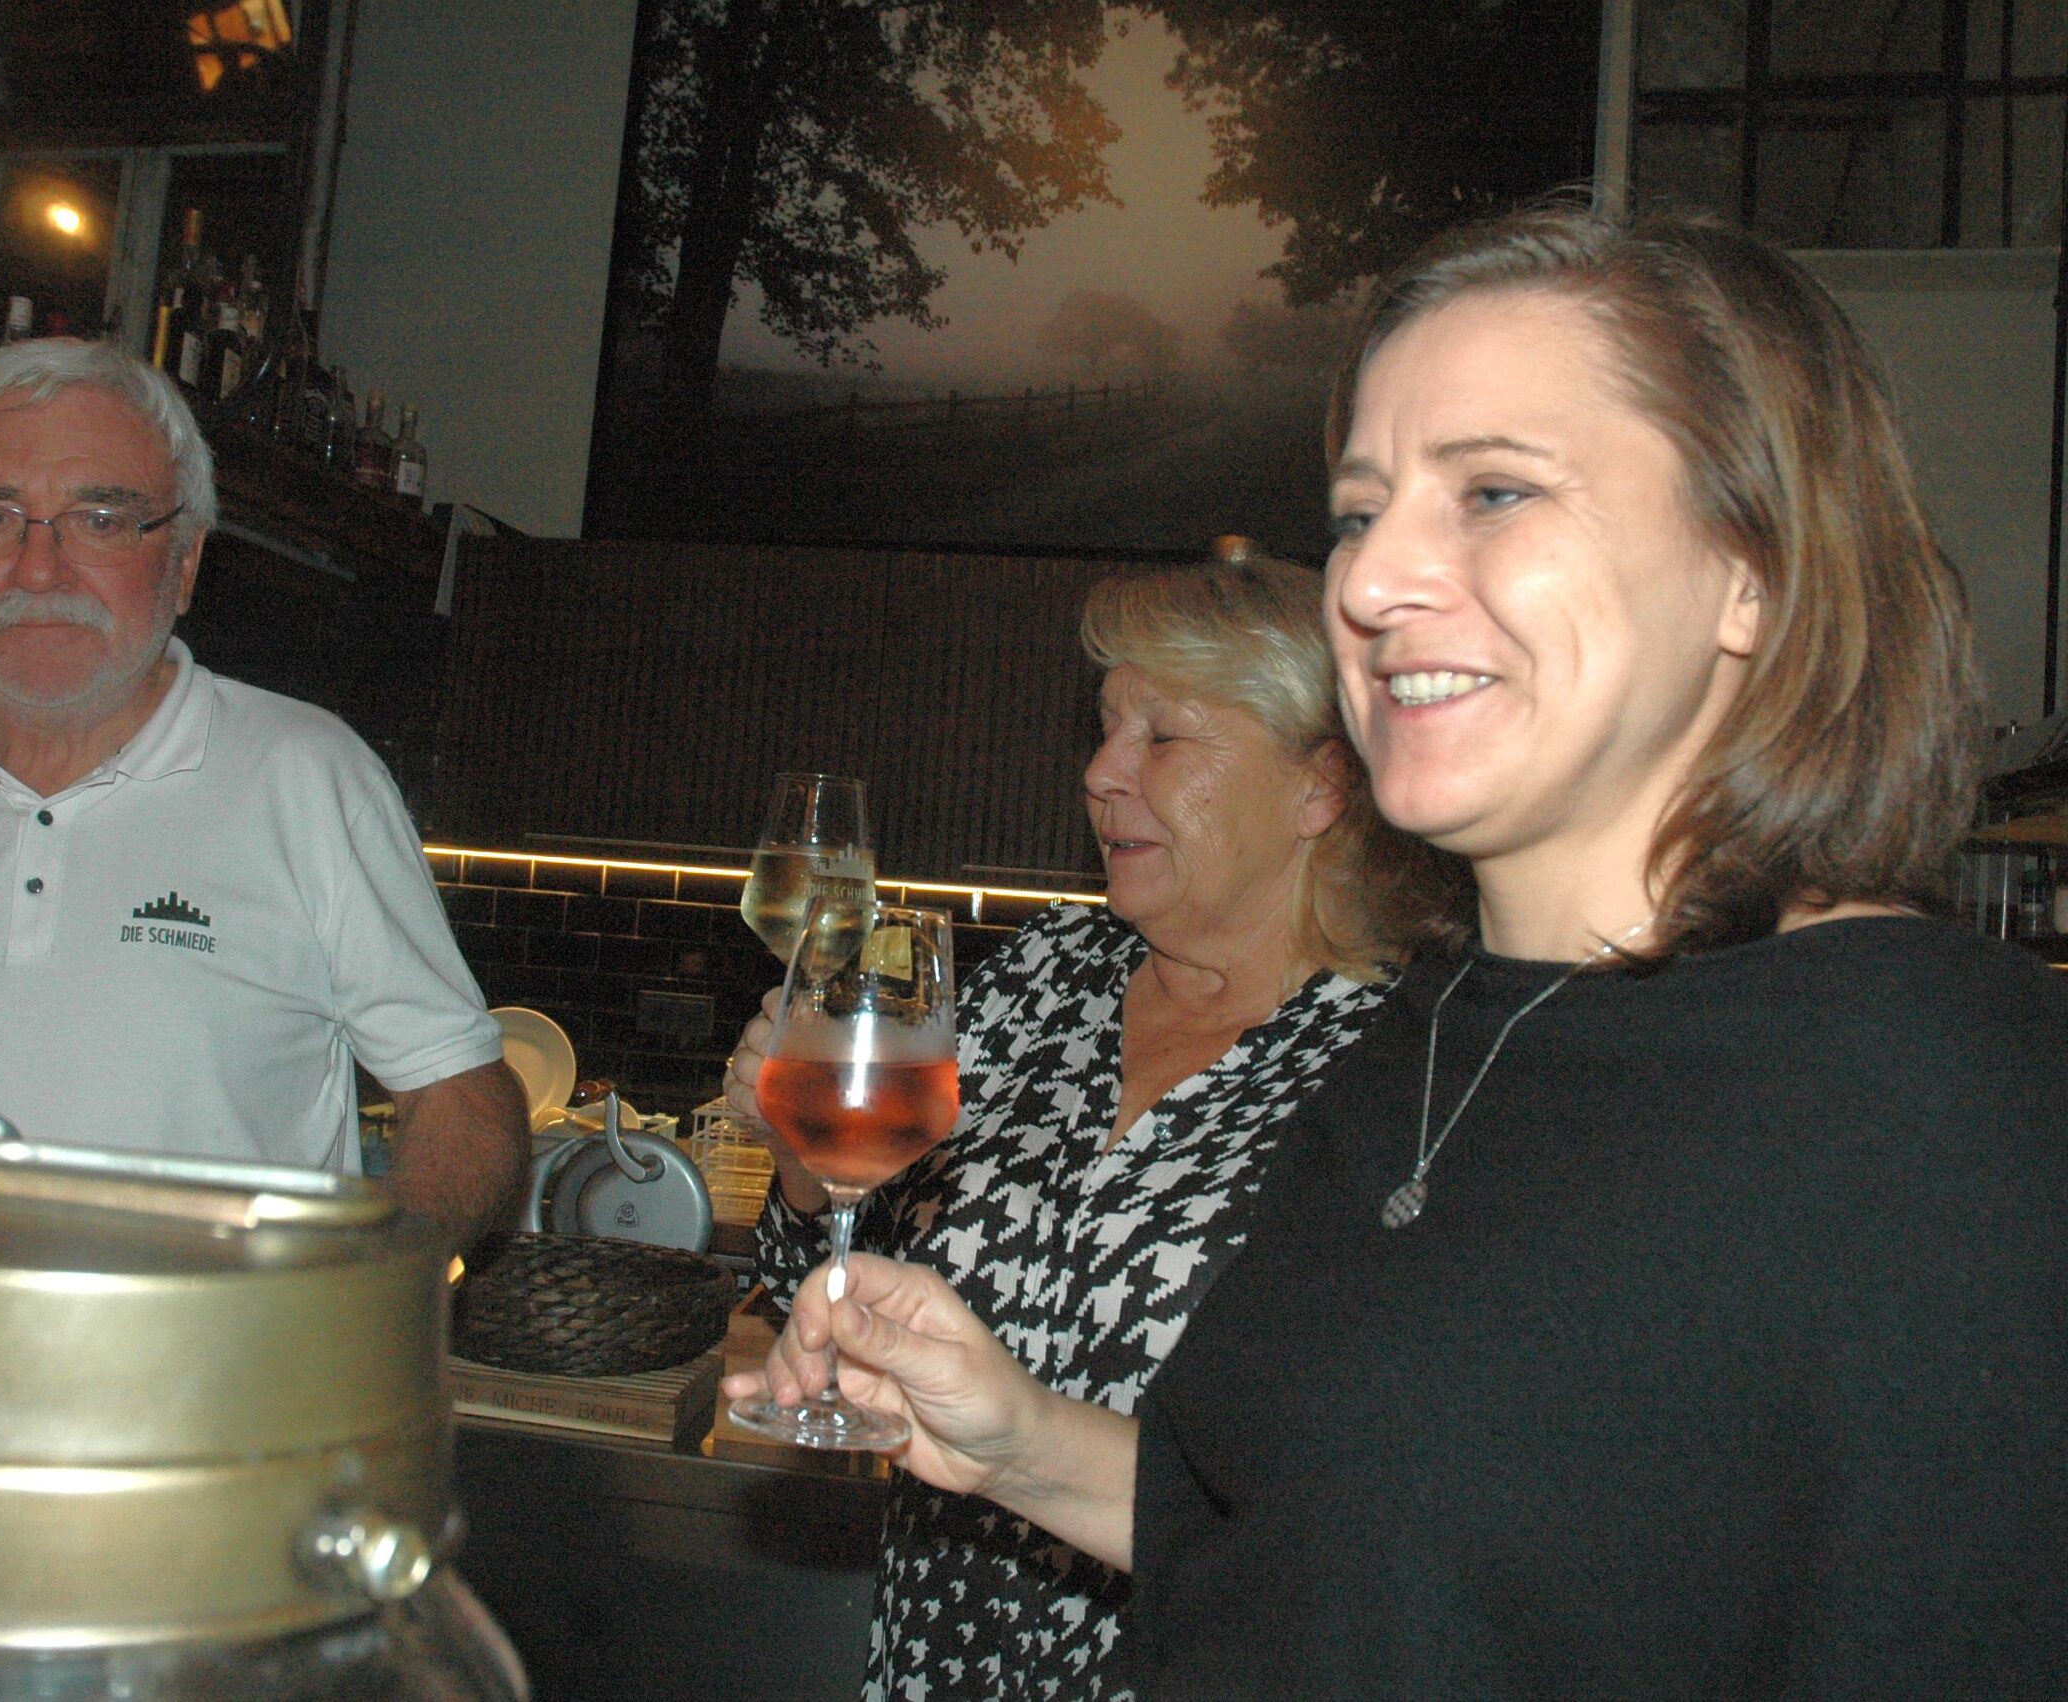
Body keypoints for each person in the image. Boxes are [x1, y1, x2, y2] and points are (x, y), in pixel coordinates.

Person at [732, 203, 2068, 1696]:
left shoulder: (1940, 1093)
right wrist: (1020, 1442)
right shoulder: (1438, 1030)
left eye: (1494, 491)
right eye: (1361, 514)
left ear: (1751, 569)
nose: (1366, 585)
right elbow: (1348, 1554)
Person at [723, 551, 1460, 1702]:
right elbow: (812, 1279)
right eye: (1106, 730)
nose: (1102, 772)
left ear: (1321, 786)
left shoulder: (1409, 1063)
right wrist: (803, 1159)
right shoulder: (1041, 973)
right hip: (935, 1655)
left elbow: (1402, 1490)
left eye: (1162, 737)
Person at [0, 338, 527, 1244]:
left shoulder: (309, 776)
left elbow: (460, 1097)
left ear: (187, 562)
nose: (38, 570)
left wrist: (370, 1288)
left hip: (205, 1338)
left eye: (100, 519)